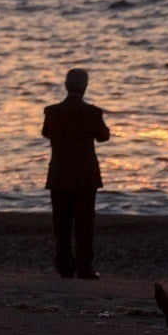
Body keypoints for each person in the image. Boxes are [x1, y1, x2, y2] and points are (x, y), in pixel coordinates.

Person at [41, 67, 110, 279]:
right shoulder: (92, 112)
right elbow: (104, 136)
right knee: (84, 223)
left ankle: (63, 265)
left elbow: (46, 133)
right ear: (85, 87)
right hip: (85, 176)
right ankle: (84, 266)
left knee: (61, 223)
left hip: (60, 174)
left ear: (66, 86)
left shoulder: (52, 112)